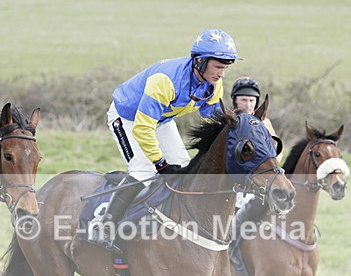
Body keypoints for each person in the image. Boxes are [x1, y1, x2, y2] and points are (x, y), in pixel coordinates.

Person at [89, 28, 240, 248]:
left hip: (160, 120)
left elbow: (211, 116)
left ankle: (171, 223)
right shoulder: (165, 81)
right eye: (218, 67)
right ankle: (104, 226)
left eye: (225, 68)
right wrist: (160, 164)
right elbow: (142, 128)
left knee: (184, 169)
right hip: (128, 118)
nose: (222, 74)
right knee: (144, 172)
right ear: (200, 62)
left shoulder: (213, 84)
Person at [230, 76, 284, 225]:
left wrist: (269, 167)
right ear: (235, 100)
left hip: (260, 176)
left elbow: (276, 151)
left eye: (251, 100)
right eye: (243, 100)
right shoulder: (230, 120)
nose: (248, 104)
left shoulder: (264, 123)